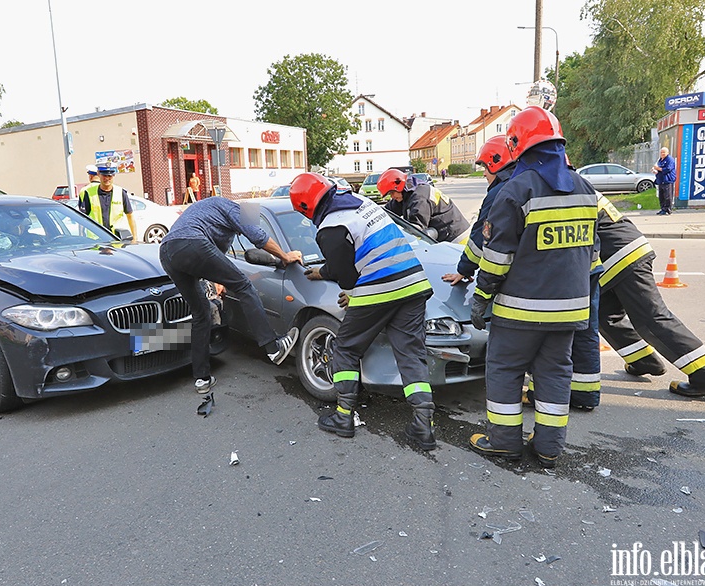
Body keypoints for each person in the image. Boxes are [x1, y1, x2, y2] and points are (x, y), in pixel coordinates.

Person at [468, 106, 598, 468]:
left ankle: (505, 442)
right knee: (555, 374)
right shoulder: (585, 189)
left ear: (516, 143)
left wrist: (481, 297)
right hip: (570, 310)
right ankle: (548, 448)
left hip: (520, 311)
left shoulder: (517, 189)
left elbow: (497, 257)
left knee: (505, 371)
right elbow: (591, 250)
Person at [289, 172, 437, 450]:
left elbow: (346, 276)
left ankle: (343, 417)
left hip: (380, 287)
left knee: (345, 347)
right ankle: (423, 425)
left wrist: (330, 279)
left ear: (306, 208)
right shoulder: (358, 201)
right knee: (410, 353)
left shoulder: (331, 227)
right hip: (414, 282)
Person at [159, 196, 301, 394]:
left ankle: (202, 378)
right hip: (191, 242)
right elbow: (257, 236)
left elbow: (212, 257)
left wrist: (216, 280)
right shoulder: (237, 209)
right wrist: (285, 256)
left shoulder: (215, 213)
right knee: (244, 286)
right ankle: (274, 348)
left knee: (201, 314)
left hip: (167, 251)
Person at [595, 192, 705, 397]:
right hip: (620, 252)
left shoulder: (561, 187)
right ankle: (643, 360)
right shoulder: (573, 183)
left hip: (618, 255)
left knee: (652, 318)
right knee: (605, 315)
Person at [442, 135, 516, 286]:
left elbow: (481, 234)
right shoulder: (526, 183)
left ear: (496, 163)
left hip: (509, 279)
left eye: (485, 168)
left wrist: (464, 269)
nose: (484, 174)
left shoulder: (500, 193)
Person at [378, 168, 471, 244]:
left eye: (392, 193)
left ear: (399, 186)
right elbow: (386, 212)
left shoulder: (420, 197)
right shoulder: (406, 193)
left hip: (457, 239)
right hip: (446, 238)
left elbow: (415, 231)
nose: (392, 197)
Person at [78, 163, 137, 240]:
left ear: (114, 175)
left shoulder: (121, 193)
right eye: (104, 175)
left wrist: (135, 238)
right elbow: (82, 219)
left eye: (110, 176)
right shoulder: (89, 193)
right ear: (98, 174)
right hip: (96, 241)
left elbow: (130, 216)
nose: (107, 178)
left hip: (118, 239)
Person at [653, 147, 676, 215]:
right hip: (661, 180)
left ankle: (668, 209)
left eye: (664, 152)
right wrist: (655, 170)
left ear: (667, 153)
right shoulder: (660, 160)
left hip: (667, 180)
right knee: (661, 196)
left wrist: (658, 169)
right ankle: (662, 208)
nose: (662, 154)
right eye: (661, 152)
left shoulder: (670, 159)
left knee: (667, 196)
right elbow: (658, 168)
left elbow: (668, 169)